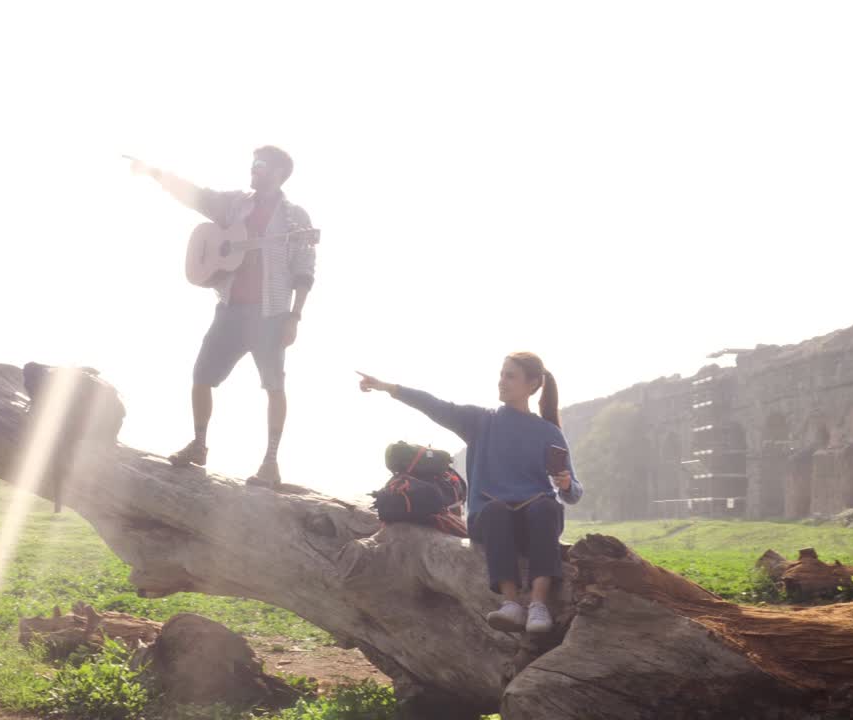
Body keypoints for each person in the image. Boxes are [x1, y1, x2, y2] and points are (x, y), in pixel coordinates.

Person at [129, 147, 316, 488]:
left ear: (277, 173)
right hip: (230, 309)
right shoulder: (236, 204)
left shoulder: (295, 219)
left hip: (271, 315)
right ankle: (199, 445)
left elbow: (304, 272)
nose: (253, 170)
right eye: (253, 164)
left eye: (260, 166)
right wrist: (155, 172)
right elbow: (195, 195)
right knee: (201, 376)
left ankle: (270, 463)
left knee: (274, 386)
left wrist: (294, 317)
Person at [357, 352, 583, 633]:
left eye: (510, 376)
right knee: (498, 511)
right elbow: (435, 405)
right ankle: (511, 604)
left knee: (547, 507)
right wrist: (388, 387)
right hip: (490, 519)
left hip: (534, 522)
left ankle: (538, 605)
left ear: (532, 384)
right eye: (501, 374)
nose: (501, 381)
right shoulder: (480, 421)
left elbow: (573, 493)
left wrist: (564, 485)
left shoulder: (549, 433)